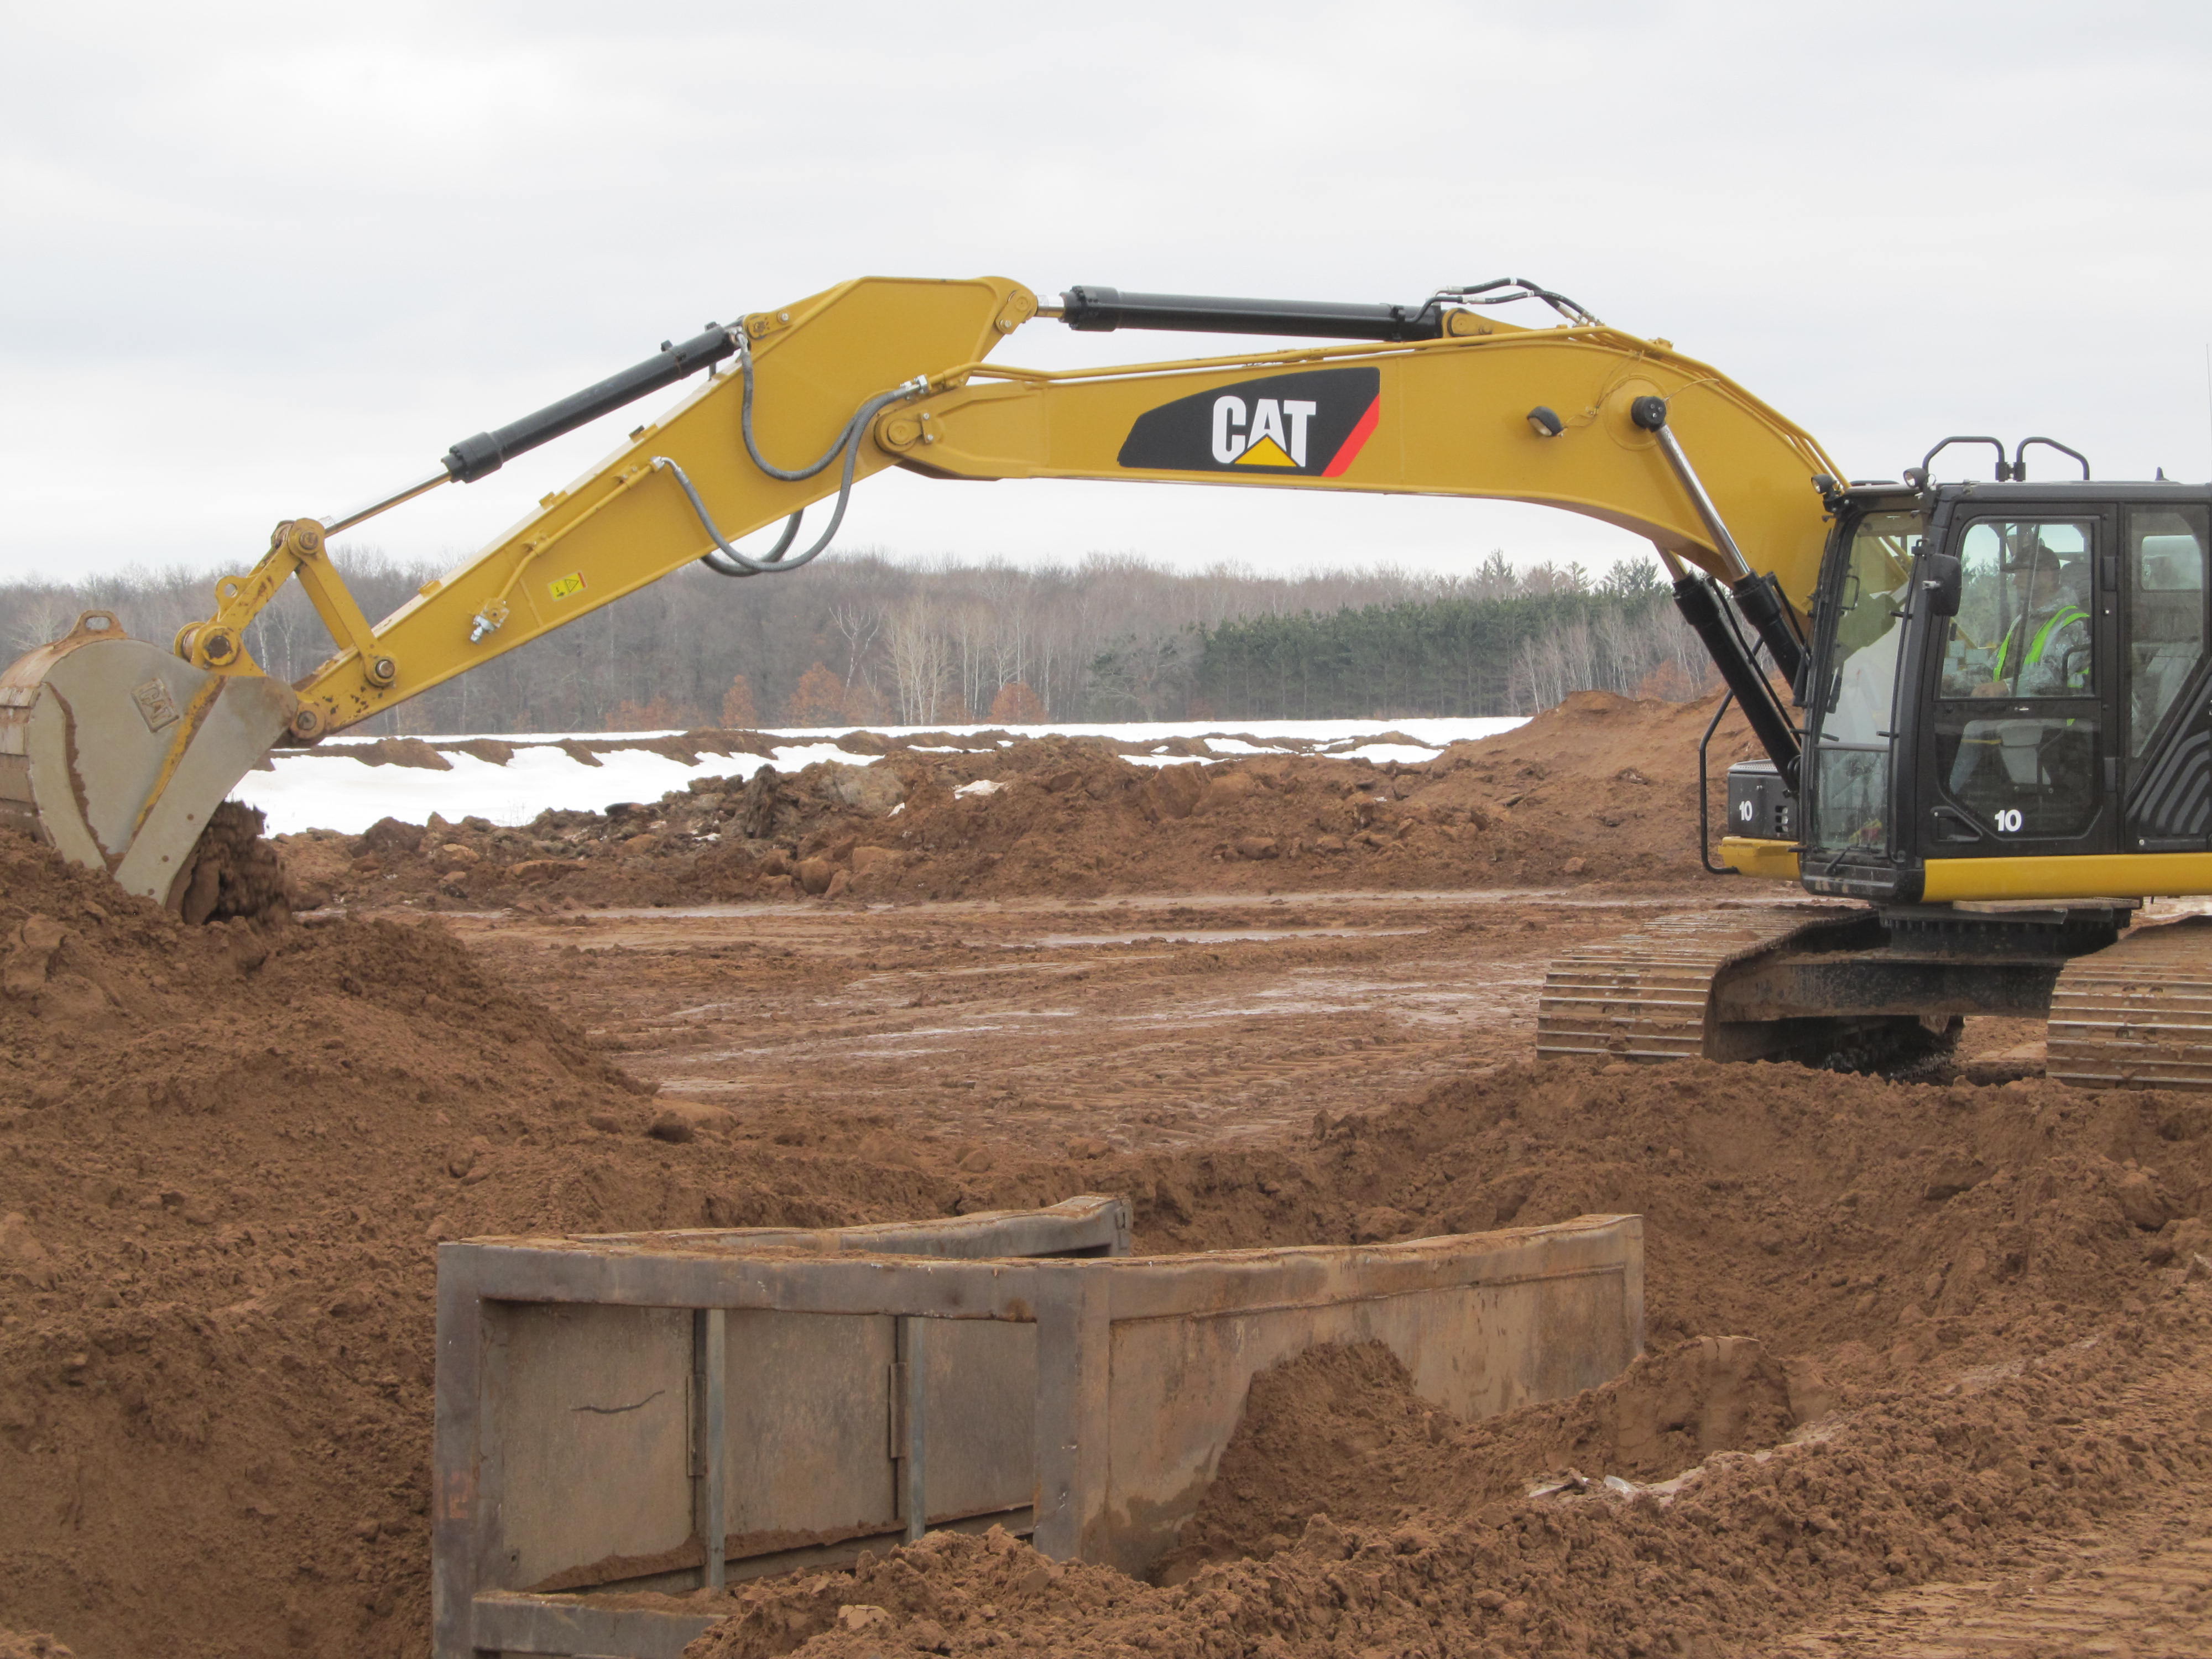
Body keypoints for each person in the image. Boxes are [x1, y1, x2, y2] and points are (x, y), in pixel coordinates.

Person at [1978, 541, 2089, 699]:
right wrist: (1950, 681)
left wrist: (2004, 687)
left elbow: (2053, 674)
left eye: (2021, 575)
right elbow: (1991, 671)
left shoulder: (2075, 624)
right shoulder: (2021, 622)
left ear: (2047, 575)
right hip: (2018, 708)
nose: (2015, 582)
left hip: (2055, 711)